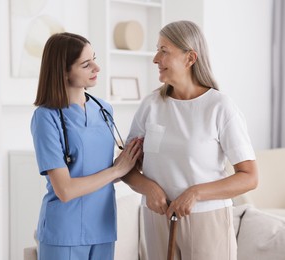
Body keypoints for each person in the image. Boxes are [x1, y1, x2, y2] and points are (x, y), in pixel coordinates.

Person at [122, 20, 258, 260]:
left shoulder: (220, 107)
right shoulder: (151, 105)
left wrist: (195, 193)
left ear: (190, 58)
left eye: (164, 51)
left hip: (207, 220)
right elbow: (126, 167)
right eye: (157, 50)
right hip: (156, 217)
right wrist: (148, 188)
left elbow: (249, 177)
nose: (155, 58)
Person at [30, 32, 142, 260]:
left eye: (95, 59)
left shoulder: (104, 109)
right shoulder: (46, 117)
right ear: (63, 71)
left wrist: (128, 163)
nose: (97, 68)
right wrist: (117, 170)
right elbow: (65, 190)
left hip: (103, 227)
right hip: (64, 232)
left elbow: (100, 172)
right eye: (86, 64)